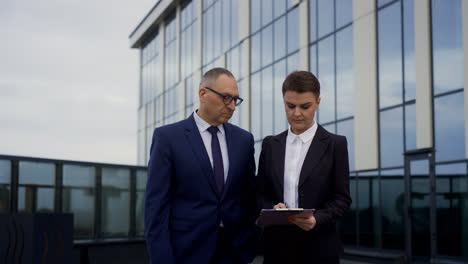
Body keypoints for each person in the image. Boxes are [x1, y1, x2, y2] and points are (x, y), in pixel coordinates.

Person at [145, 68, 259, 264]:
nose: (232, 106)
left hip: (234, 252)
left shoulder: (244, 140)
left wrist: (250, 240)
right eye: (226, 98)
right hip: (186, 252)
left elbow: (249, 197)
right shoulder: (167, 138)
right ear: (203, 94)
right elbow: (156, 208)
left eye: (235, 100)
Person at [256, 71, 352, 264]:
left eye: (305, 106)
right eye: (290, 106)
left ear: (317, 102)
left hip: (320, 249)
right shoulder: (270, 144)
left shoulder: (336, 145)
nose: (296, 113)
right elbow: (260, 193)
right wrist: (272, 208)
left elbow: (342, 198)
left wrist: (317, 218)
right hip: (277, 250)